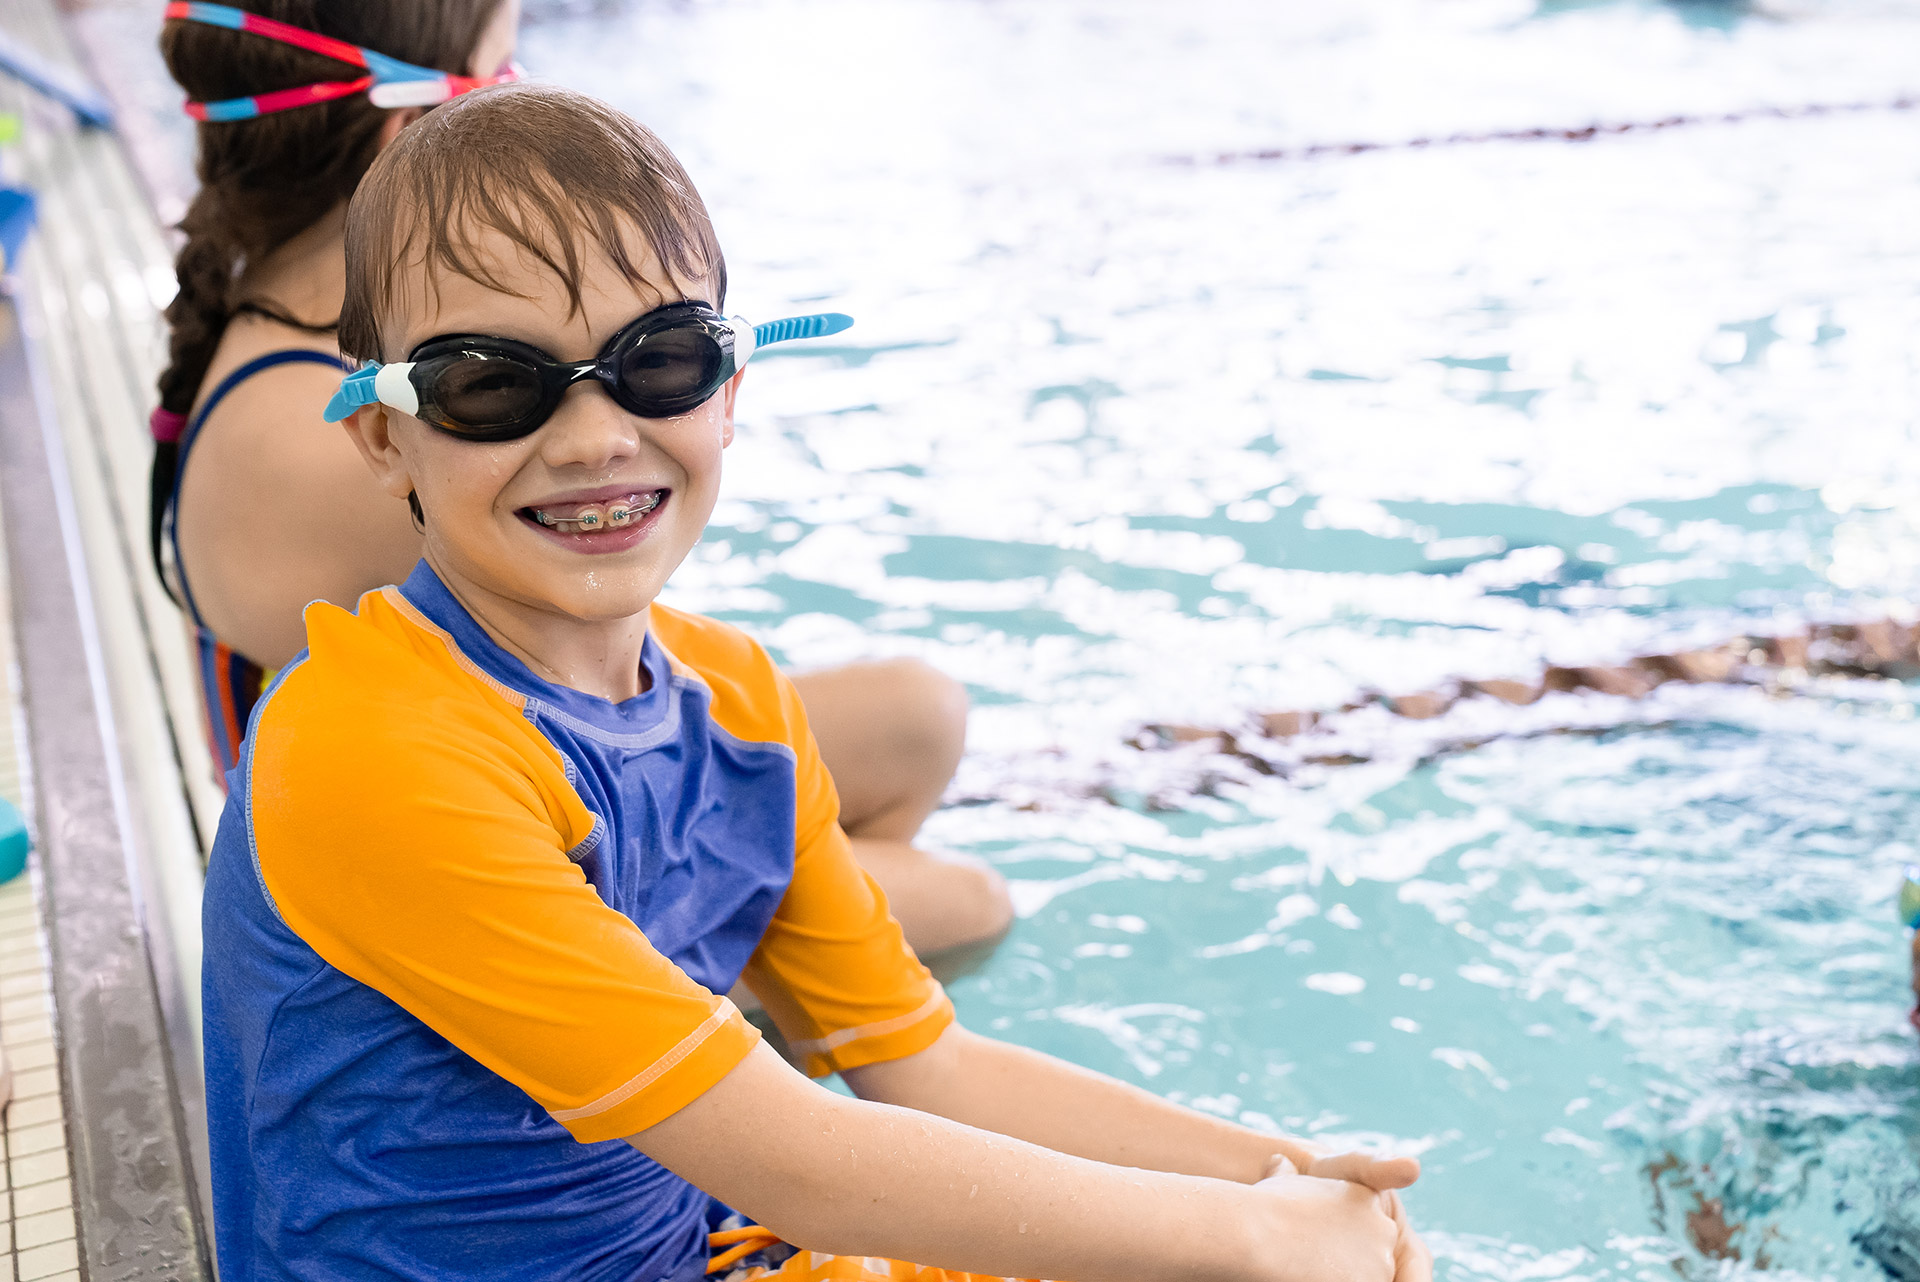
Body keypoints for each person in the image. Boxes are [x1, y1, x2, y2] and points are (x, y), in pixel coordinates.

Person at [201, 81, 1434, 1282]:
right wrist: (1252, 1240)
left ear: (728, 393)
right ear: (385, 434)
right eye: (491, 385)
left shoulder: (733, 699)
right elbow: (801, 1162)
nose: (593, 438)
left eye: (661, 361)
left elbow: (927, 1067)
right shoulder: (371, 745)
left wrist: (1286, 1181)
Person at [153, 0, 1010, 959]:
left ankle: (797, 960)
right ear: (415, 129)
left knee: (920, 718)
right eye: (506, 76)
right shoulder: (367, 438)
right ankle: (750, 984)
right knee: (969, 900)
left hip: (521, 776)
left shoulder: (297, 338)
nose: (595, 440)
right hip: (464, 877)